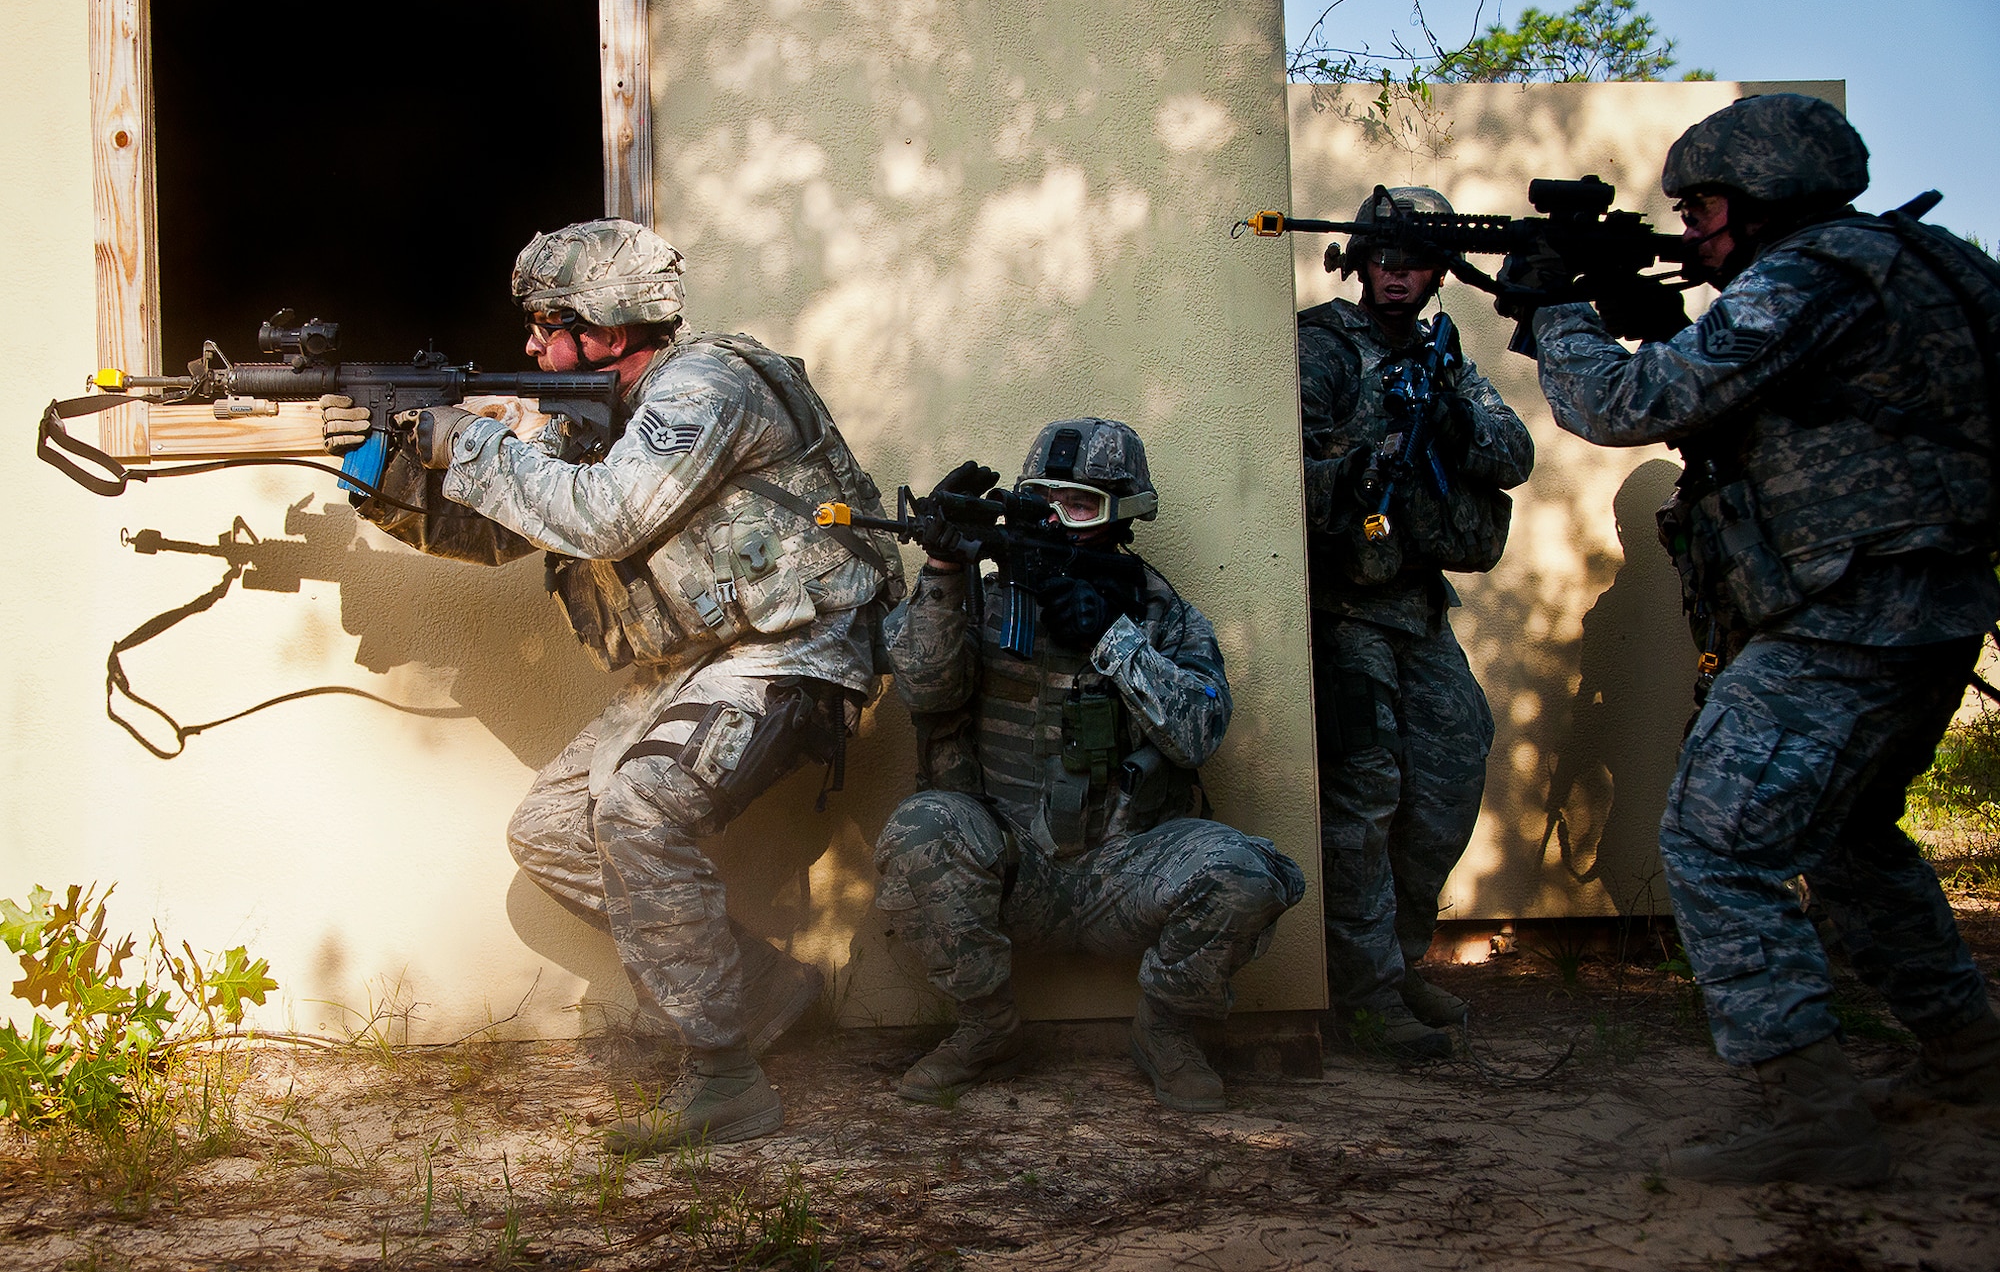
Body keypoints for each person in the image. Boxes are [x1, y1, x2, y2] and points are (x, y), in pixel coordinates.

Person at [320, 218, 905, 1152]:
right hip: (699, 666)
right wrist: (382, 478)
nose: (528, 344)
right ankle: (757, 992)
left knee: (636, 803)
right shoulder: (594, 413)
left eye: (545, 321)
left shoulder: (704, 388)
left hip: (798, 653)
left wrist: (467, 441)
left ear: (606, 326)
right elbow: (505, 533)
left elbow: (606, 516)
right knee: (548, 828)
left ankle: (724, 1078)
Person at [1515, 92, 2000, 1186]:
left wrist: (1560, 312)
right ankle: (1970, 1056)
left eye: (1700, 209)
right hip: (1927, 605)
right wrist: (1654, 319)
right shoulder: (1920, 264)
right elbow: (1823, 402)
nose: (1688, 231)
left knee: (1712, 841)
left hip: (1845, 618)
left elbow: (1627, 403)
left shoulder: (1814, 269)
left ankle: (1810, 1112)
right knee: (1849, 837)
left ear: (1766, 194)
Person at [872, 419, 1305, 1112]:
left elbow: (1198, 734)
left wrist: (1112, 635)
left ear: (1125, 514)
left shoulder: (1163, 614)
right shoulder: (982, 595)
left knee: (1246, 872)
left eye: (1081, 506)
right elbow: (925, 691)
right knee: (918, 831)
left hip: (1125, 870)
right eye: (1044, 502)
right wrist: (945, 572)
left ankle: (1165, 1032)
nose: (1058, 522)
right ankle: (987, 1029)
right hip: (1014, 863)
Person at [1297, 188, 1535, 1060]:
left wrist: (1452, 416)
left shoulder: (1444, 356)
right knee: (1365, 796)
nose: (1398, 275)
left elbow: (1513, 452)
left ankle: (1396, 965)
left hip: (1418, 609)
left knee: (1450, 769)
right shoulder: (1323, 346)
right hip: (1346, 609)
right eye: (1384, 257)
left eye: (1416, 260)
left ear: (1438, 271)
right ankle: (1362, 994)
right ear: (1358, 260)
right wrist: (1360, 469)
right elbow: (1285, 466)